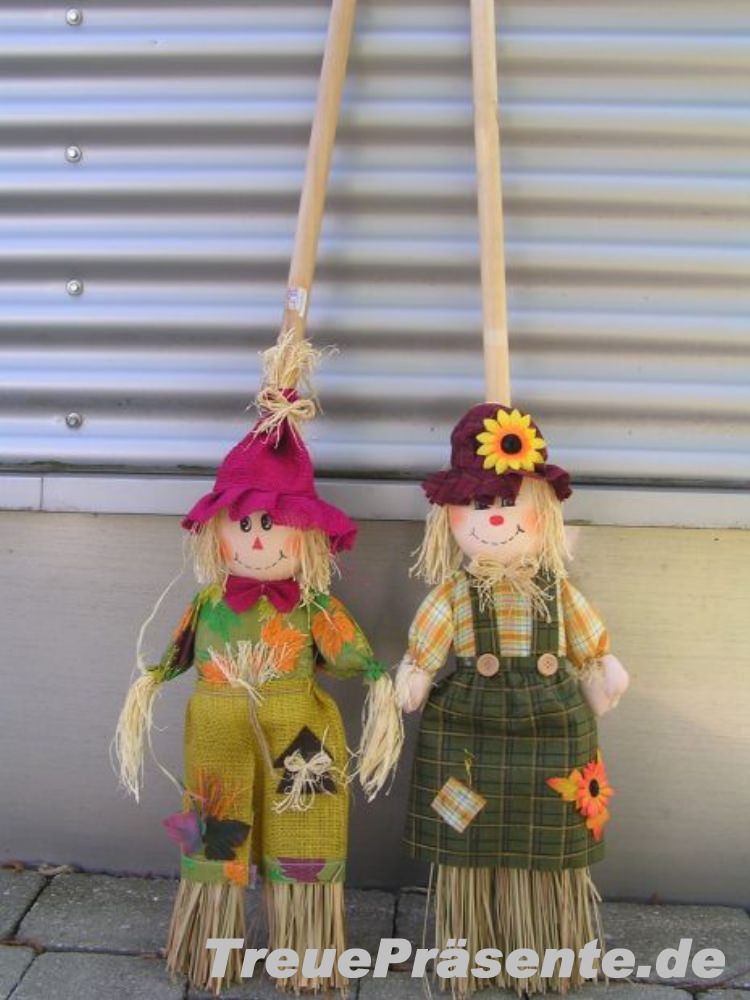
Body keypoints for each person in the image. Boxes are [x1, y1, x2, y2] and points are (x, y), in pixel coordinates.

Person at [396, 402, 629, 996]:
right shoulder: (455, 591)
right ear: (450, 516)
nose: (495, 517)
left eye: (508, 501)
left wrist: (601, 667)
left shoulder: (557, 589)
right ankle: (471, 947)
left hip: (553, 722)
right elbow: (428, 644)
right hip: (468, 724)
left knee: (549, 836)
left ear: (543, 510)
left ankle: (547, 950)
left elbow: (588, 643)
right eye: (479, 504)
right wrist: (417, 670)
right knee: (465, 836)